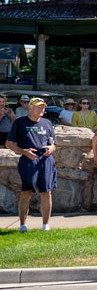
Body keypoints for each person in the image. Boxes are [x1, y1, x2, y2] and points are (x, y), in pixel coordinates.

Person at [5, 97, 57, 232]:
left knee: (47, 192)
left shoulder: (47, 123)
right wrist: (23, 151)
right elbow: (9, 144)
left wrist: (51, 148)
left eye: (43, 107)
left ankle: (45, 226)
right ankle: (23, 225)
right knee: (26, 192)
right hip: (28, 160)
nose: (42, 109)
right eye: (38, 107)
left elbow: (53, 143)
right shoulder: (20, 122)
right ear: (30, 108)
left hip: (46, 160)